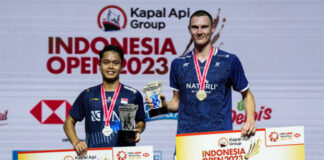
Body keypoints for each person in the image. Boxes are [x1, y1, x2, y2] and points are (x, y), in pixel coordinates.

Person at [146, 10, 256, 136]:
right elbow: (177, 103)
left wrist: (250, 120)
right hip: (186, 139)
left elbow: (247, 95)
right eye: (195, 27)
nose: (199, 32)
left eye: (204, 27)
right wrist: (164, 105)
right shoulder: (178, 64)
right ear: (189, 29)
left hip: (220, 139)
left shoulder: (229, 61)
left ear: (213, 28)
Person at [64, 45, 146, 156]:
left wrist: (138, 129)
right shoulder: (88, 94)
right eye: (106, 62)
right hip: (94, 155)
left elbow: (141, 121)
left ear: (122, 66)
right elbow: (69, 122)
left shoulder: (133, 95)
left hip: (124, 155)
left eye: (116, 63)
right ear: (99, 66)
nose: (111, 67)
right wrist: (76, 142)